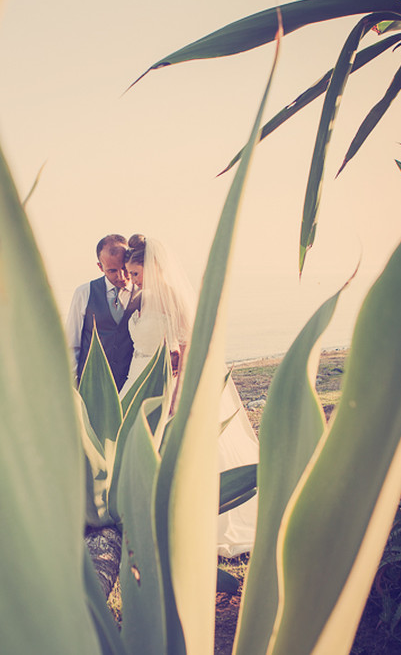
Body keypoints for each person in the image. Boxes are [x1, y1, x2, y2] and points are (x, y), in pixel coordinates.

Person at [121, 234, 259, 557]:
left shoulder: (175, 298)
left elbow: (187, 348)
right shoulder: (142, 298)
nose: (132, 279)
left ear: (152, 267)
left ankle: (192, 515)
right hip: (137, 380)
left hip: (166, 384)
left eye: (136, 273)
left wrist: (177, 392)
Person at [65, 234, 137, 390]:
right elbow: (72, 345)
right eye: (112, 271)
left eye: (124, 269)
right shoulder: (84, 293)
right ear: (100, 267)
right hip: (91, 387)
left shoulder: (143, 294)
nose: (121, 276)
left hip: (130, 387)